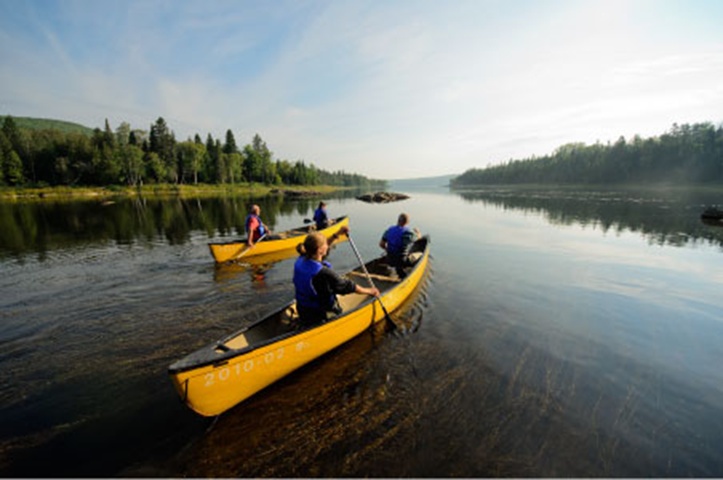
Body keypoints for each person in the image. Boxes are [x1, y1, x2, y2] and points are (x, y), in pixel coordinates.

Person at [293, 227, 379, 328]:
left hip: (302, 308)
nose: (327, 246)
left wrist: (337, 234)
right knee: (337, 311)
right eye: (325, 244)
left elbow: (319, 247)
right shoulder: (323, 273)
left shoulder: (301, 259)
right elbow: (347, 286)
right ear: (320, 250)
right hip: (319, 313)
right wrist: (370, 291)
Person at [379, 212, 420, 278]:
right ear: (407, 222)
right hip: (401, 260)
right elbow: (418, 240)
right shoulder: (407, 233)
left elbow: (381, 244)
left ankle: (398, 270)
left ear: (398, 220)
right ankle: (409, 273)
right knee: (420, 255)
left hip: (389, 259)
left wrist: (387, 249)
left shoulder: (389, 230)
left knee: (397, 260)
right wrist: (418, 233)